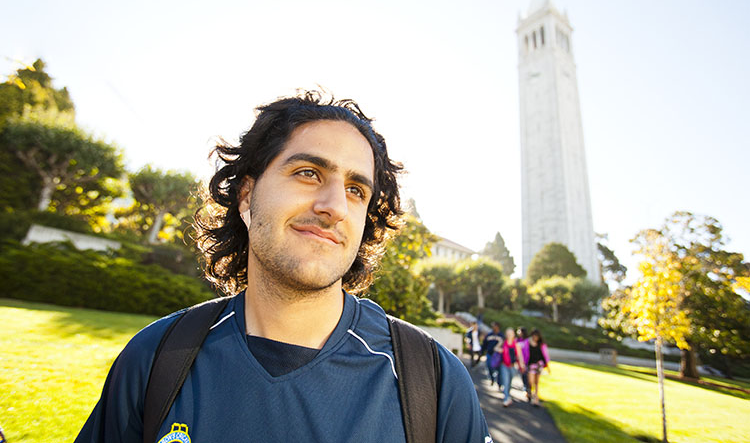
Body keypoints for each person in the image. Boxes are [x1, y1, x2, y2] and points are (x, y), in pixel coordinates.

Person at [74, 90, 492, 442]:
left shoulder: (431, 382)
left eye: (355, 189)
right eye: (308, 173)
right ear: (246, 197)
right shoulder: (156, 359)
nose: (334, 207)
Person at [495, 327, 525, 407]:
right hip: (504, 365)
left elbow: (519, 355)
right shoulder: (503, 342)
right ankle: (506, 398)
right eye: (508, 333)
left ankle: (508, 396)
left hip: (512, 366)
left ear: (513, 334)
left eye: (510, 333)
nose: (509, 335)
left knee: (509, 382)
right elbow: (496, 348)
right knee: (505, 381)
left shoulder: (516, 344)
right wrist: (500, 350)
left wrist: (522, 364)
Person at [527, 329, 551, 407]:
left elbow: (545, 356)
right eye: (534, 336)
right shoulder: (528, 344)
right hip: (531, 365)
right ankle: (530, 392)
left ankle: (536, 397)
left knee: (536, 382)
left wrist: (547, 367)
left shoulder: (541, 345)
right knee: (531, 381)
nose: (535, 338)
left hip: (539, 365)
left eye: (536, 336)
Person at [516, 326, 532, 401]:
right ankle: (526, 389)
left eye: (519, 331)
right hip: (519, 362)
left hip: (527, 362)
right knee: (523, 376)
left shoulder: (527, 341)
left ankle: (527, 390)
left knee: (527, 377)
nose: (518, 332)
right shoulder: (517, 340)